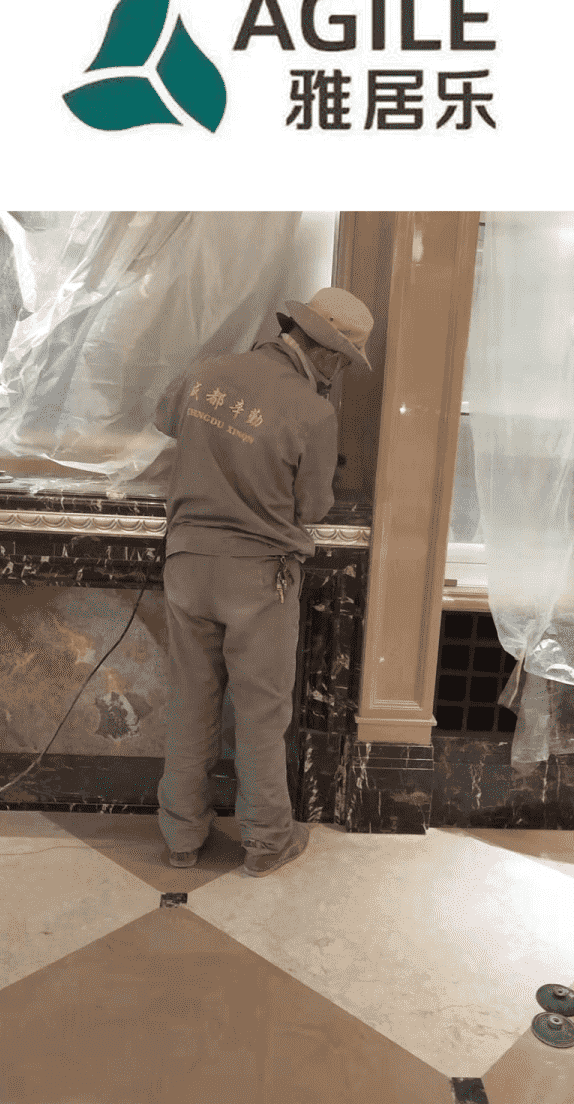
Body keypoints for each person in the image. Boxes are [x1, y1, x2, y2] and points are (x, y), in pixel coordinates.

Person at [153, 287, 374, 876]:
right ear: (328, 354)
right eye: (342, 364)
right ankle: (267, 841)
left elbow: (164, 418)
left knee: (190, 704)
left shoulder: (208, 373)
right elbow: (313, 508)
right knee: (260, 716)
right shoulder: (313, 413)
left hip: (186, 567)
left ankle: (181, 838)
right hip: (258, 580)